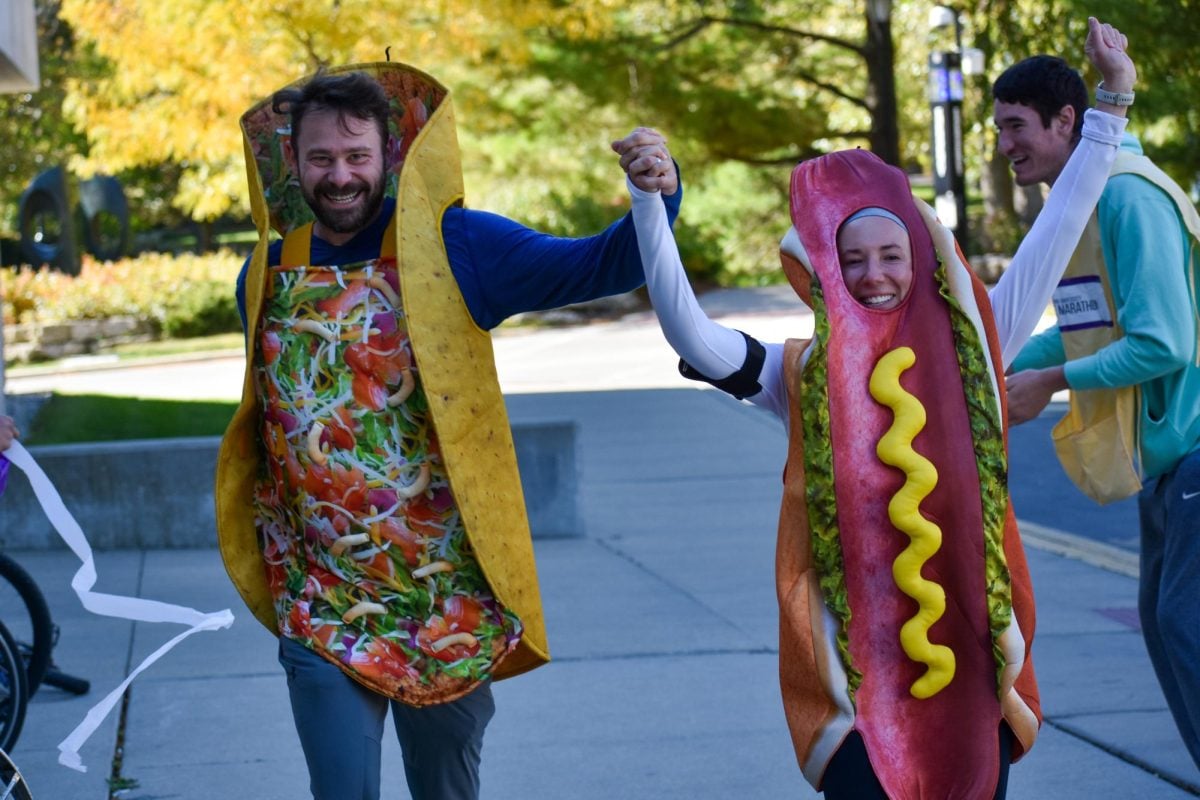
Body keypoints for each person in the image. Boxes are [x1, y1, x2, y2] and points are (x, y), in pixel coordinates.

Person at [616, 17, 1132, 800]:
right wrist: (648, 205)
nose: (873, 274)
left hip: (971, 671)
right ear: (825, 272)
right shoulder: (802, 374)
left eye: (890, 255)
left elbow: (1056, 230)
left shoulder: (976, 347)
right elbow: (689, 328)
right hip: (853, 686)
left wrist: (1111, 106)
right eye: (851, 260)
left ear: (922, 258)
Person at [214, 64, 678, 800]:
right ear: (292, 161)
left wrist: (657, 192)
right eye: (321, 159)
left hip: (443, 602)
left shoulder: (456, 247)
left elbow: (605, 263)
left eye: (357, 156)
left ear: (389, 157)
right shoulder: (268, 269)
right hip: (322, 598)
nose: (340, 176)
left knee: (444, 789)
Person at [995, 31, 1200, 771]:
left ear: (1067, 124)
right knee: (1163, 623)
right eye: (999, 129)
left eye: (1016, 126)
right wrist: (987, 360)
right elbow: (1084, 332)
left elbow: (1164, 343)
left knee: (1184, 624)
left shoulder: (1127, 198)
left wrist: (1046, 384)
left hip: (1195, 453)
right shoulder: (1082, 207)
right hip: (1170, 460)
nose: (1005, 145)